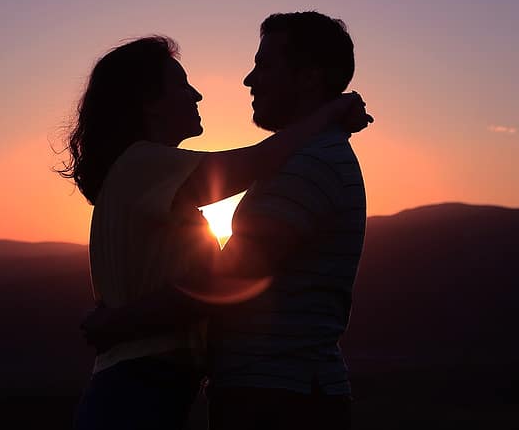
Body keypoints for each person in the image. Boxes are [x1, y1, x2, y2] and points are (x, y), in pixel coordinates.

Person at [63, 35, 371, 430]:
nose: (197, 94)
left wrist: (120, 320)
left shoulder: (153, 178)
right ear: (149, 102)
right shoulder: (141, 164)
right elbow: (257, 161)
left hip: (151, 385)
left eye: (264, 65)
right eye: (181, 84)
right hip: (138, 387)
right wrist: (331, 112)